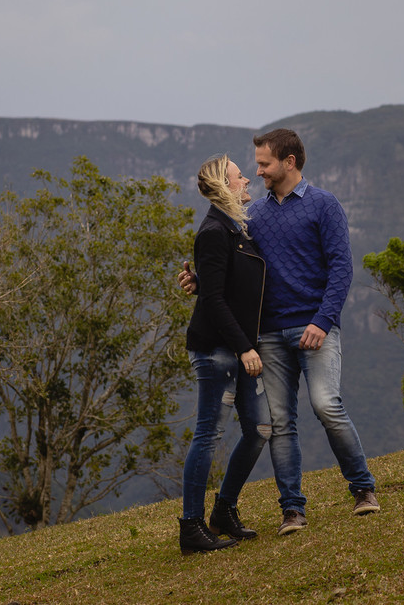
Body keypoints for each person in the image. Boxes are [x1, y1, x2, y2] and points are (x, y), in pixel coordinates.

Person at [181, 128, 379, 536]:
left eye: (265, 164)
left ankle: (363, 489)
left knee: (326, 406)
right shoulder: (253, 216)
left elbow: (342, 269)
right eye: (253, 166)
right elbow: (234, 271)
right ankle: (292, 510)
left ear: (289, 162)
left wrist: (321, 322)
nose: (258, 172)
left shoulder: (325, 205)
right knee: (280, 423)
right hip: (268, 334)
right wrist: (201, 282)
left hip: (315, 328)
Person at [178, 154, 271, 555]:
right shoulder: (214, 231)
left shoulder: (236, 227)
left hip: (236, 347)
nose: (246, 179)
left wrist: (198, 280)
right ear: (223, 186)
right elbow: (215, 300)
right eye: (238, 176)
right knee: (208, 434)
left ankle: (224, 510)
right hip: (218, 350)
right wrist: (245, 347)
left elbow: (221, 285)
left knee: (260, 428)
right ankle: (191, 527)